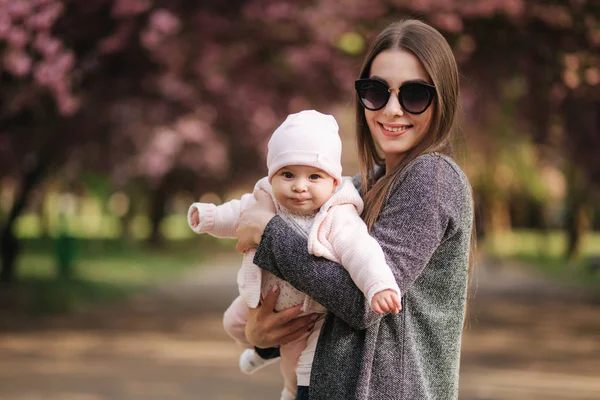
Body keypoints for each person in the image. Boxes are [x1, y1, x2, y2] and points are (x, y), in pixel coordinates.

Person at [235, 19, 475, 400]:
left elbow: (365, 303)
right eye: (377, 91)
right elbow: (314, 287)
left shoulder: (433, 178)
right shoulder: (363, 187)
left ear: (442, 99)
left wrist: (268, 234)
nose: (392, 110)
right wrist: (261, 335)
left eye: (413, 95)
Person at [187, 110, 402, 400]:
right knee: (232, 322)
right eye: (288, 174)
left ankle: (289, 391)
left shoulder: (337, 215)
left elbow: (361, 252)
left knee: (300, 364)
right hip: (262, 294)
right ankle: (264, 351)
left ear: (334, 183)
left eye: (314, 176)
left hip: (309, 311)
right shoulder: (266, 199)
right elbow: (236, 214)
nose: (300, 186)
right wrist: (208, 217)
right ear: (271, 176)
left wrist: (379, 285)